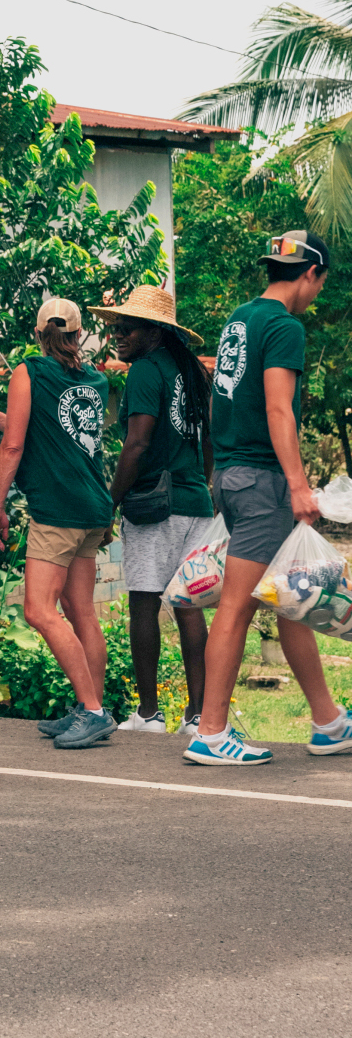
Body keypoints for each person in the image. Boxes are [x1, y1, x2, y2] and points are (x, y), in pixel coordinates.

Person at [187, 230, 352, 765]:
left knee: (288, 599)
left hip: (235, 474)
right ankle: (210, 733)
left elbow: (223, 400)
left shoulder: (239, 320)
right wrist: (300, 485)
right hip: (262, 481)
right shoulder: (284, 327)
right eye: (319, 284)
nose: (316, 294)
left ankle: (329, 721)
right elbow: (280, 409)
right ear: (312, 274)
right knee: (236, 608)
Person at [0, 298, 116, 749]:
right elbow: (43, 428)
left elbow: (14, 446)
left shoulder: (30, 372)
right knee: (81, 611)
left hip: (57, 511)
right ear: (78, 335)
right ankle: (91, 708)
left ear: (39, 332)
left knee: (38, 610)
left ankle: (94, 711)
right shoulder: (95, 381)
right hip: (91, 509)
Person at [89, 285, 212, 736]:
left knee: (143, 600)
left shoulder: (144, 372)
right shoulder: (193, 372)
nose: (117, 334)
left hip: (155, 507)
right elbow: (209, 439)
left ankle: (148, 714)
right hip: (196, 501)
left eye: (127, 327)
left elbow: (137, 443)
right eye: (114, 327)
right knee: (189, 605)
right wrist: (203, 481)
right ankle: (198, 717)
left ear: (154, 331)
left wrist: (109, 504)